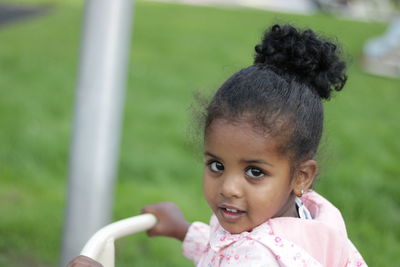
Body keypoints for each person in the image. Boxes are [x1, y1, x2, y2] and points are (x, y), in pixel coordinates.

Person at [68, 24, 367, 266]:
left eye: (254, 172)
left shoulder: (260, 258)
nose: (229, 187)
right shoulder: (311, 220)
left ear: (301, 176)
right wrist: (184, 230)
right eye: (217, 165)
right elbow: (229, 250)